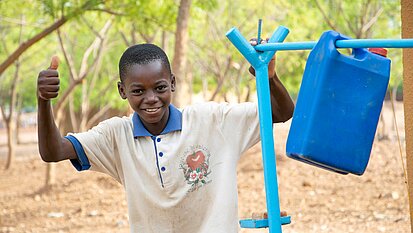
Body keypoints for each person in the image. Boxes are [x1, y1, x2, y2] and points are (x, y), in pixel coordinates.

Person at [37, 43, 294, 233]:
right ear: (122, 91)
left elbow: (281, 112)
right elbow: (54, 151)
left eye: (159, 88)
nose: (151, 99)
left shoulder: (212, 121)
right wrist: (43, 102)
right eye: (138, 91)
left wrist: (268, 77)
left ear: (172, 83)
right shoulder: (115, 136)